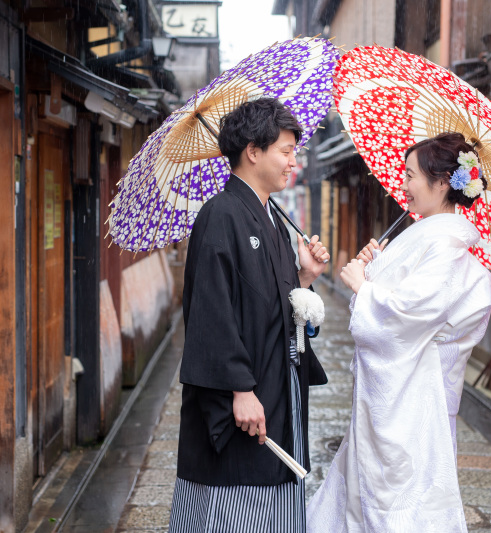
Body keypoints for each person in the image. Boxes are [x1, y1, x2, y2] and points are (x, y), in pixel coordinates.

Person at [306, 132, 491, 532]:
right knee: (374, 494)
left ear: (442, 182)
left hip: (412, 398)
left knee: (396, 501)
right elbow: (404, 300)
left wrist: (364, 286)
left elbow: (410, 314)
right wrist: (376, 267)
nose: (404, 185)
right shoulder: (428, 236)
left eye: (411, 175)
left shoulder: (443, 244)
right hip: (403, 392)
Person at [168, 97, 331, 532]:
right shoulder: (220, 216)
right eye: (285, 150)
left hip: (277, 389)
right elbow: (210, 312)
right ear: (253, 151)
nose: (293, 161)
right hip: (245, 397)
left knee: (273, 501)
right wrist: (239, 389)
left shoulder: (273, 221)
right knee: (235, 507)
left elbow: (277, 306)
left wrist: (305, 276)